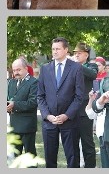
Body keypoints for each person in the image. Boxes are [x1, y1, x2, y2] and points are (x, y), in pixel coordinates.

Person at [37, 37, 85, 168]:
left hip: (69, 121)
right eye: (53, 49)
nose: (54, 51)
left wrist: (66, 115)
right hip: (49, 122)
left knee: (73, 158)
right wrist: (47, 115)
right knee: (50, 160)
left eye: (58, 49)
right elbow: (40, 96)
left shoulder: (76, 68)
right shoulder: (45, 69)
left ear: (66, 50)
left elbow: (79, 96)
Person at [72, 42, 98, 168]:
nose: (76, 55)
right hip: (72, 110)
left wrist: (77, 65)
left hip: (85, 110)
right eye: (75, 53)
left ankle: (90, 167)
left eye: (79, 53)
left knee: (87, 142)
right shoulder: (71, 66)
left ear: (86, 55)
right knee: (72, 143)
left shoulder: (91, 65)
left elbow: (93, 75)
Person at [7, 58, 38, 158]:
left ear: (26, 69)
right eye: (14, 70)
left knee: (30, 157)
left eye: (18, 70)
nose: (16, 72)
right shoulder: (11, 82)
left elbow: (33, 102)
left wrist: (14, 105)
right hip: (14, 125)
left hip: (27, 126)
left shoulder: (33, 82)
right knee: (16, 157)